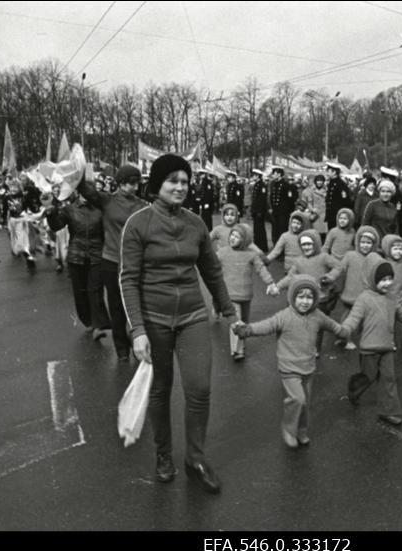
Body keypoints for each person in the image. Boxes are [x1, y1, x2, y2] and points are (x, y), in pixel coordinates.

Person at [119, 153, 235, 494]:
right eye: (173, 181)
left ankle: (195, 458)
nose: (180, 187)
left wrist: (228, 308)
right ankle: (163, 454)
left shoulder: (196, 223)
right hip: (153, 320)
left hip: (192, 315)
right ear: (157, 184)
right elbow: (128, 279)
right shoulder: (138, 223)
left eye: (185, 181)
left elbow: (211, 270)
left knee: (199, 388)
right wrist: (137, 330)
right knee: (160, 390)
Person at [233, 275, 345, 448]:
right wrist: (247, 330)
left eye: (309, 297)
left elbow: (332, 325)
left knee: (305, 403)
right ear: (293, 297)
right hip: (289, 368)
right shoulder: (285, 316)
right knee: (297, 399)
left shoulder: (317, 315)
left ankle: (301, 430)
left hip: (308, 367)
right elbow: (266, 326)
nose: (305, 301)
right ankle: (288, 428)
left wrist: (343, 331)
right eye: (301, 296)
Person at [340, 253, 402, 425]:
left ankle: (389, 411)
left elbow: (401, 313)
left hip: (387, 348)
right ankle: (355, 388)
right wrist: (345, 329)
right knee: (367, 377)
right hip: (369, 349)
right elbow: (353, 318)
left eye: (390, 278)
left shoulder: (392, 297)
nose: (388, 283)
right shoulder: (364, 298)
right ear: (371, 278)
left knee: (388, 379)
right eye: (382, 279)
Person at [79, 164, 147, 362]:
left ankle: (138, 344)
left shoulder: (142, 205)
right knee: (116, 307)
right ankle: (122, 349)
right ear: (120, 183)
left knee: (135, 306)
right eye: (130, 183)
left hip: (134, 262)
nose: (134, 187)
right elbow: (85, 189)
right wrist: (77, 171)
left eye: (137, 183)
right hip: (111, 261)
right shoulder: (106, 200)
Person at [43, 188, 111, 341]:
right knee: (80, 292)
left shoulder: (101, 209)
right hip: (76, 256)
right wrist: (50, 211)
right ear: (78, 193)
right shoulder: (69, 209)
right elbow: (57, 226)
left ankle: (98, 326)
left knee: (95, 291)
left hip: (97, 256)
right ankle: (88, 321)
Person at [217, 224, 275, 361]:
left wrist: (270, 283)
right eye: (232, 234)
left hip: (246, 294)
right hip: (231, 294)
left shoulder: (251, 254)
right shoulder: (223, 252)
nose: (233, 238)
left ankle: (241, 346)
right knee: (236, 322)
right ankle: (237, 350)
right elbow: (210, 262)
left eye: (237, 236)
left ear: (245, 240)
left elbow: (261, 269)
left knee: (245, 322)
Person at [321, 225, 381, 350]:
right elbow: (339, 268)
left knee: (368, 317)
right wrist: (330, 277)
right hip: (352, 294)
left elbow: (381, 273)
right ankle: (344, 338)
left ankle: (366, 337)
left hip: (367, 294)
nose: (365, 245)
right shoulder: (350, 255)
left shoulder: (376, 258)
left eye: (369, 242)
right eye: (363, 242)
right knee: (348, 317)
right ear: (357, 241)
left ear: (374, 244)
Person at [269, 167, 296, 245]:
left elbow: (290, 199)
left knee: (282, 229)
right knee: (275, 229)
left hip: (283, 212)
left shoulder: (285, 185)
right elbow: (272, 197)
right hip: (275, 211)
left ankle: (283, 246)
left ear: (279, 174)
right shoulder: (273, 184)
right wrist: (271, 208)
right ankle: (276, 244)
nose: (273, 175)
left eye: (274, 174)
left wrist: (290, 211)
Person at [324, 163, 353, 234]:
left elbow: (345, 201)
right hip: (331, 215)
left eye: (328, 171)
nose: (327, 173)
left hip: (338, 215)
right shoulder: (331, 183)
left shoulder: (341, 184)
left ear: (334, 172)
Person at [301, 174, 328, 240]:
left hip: (324, 213)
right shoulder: (311, 191)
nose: (319, 182)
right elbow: (309, 203)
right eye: (318, 181)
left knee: (324, 233)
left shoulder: (327, 190)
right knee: (315, 232)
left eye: (321, 181)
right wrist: (312, 209)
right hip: (315, 214)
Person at [250, 169, 270, 252]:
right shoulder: (257, 184)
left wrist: (260, 211)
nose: (253, 177)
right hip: (256, 210)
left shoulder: (262, 185)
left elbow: (262, 200)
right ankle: (257, 244)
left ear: (258, 176)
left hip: (259, 211)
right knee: (256, 229)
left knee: (260, 229)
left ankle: (263, 246)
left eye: (254, 175)